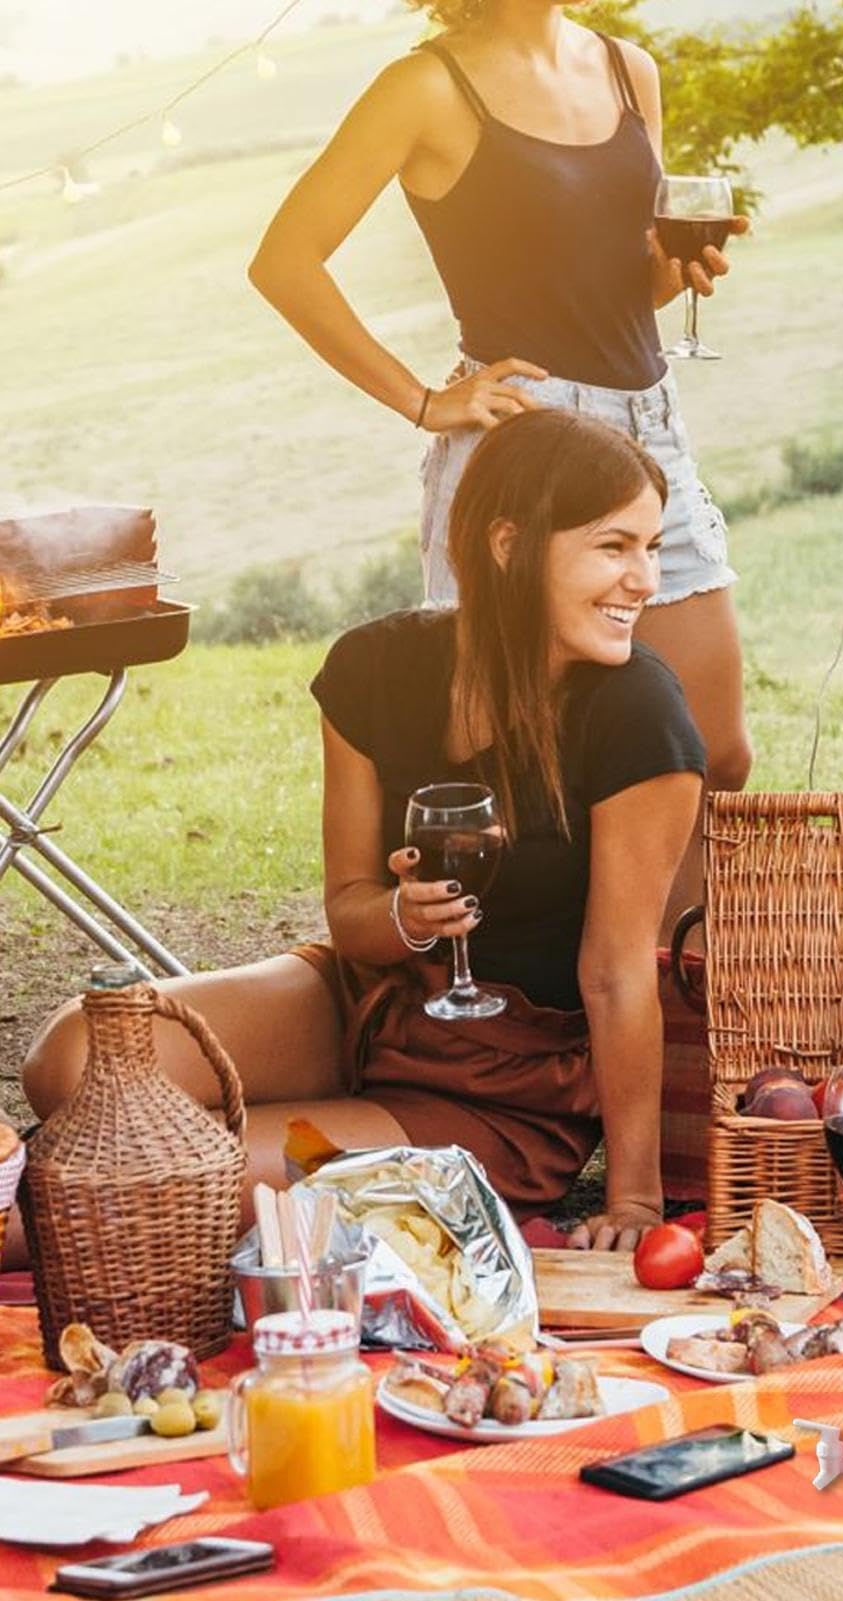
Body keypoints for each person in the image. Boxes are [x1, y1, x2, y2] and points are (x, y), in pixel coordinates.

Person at [22, 410, 706, 1254]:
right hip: (364, 1006)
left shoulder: (639, 713)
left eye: (651, 547)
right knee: (70, 1059)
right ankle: (237, 1138)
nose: (645, 579)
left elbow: (616, 973)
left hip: (498, 1089)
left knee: (151, 1181)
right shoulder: (373, 670)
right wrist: (402, 918)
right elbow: (349, 909)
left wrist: (635, 1198)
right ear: (508, 544)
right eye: (614, 547)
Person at [247, 0, 752, 880]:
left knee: (714, 754)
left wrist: (676, 271)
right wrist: (422, 401)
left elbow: (621, 287)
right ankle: (531, 961)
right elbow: (284, 260)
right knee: (520, 773)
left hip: (646, 437)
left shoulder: (627, 68)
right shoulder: (426, 86)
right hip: (521, 449)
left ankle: (667, 959)